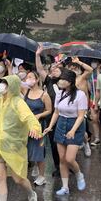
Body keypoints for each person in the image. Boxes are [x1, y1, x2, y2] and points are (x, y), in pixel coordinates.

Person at [44, 70, 88, 197]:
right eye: (60, 79)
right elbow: (56, 112)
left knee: (69, 159)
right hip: (61, 124)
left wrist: (73, 130)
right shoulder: (59, 94)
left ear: (70, 81)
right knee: (62, 160)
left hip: (75, 125)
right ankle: (65, 187)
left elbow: (81, 116)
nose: (60, 81)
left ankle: (79, 174)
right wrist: (50, 126)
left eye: (63, 79)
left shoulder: (80, 95)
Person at [36, 46, 63, 176]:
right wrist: (37, 55)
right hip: (51, 116)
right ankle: (58, 166)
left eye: (56, 69)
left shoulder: (67, 81)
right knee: (53, 144)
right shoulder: (49, 81)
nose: (53, 71)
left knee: (65, 143)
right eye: (52, 69)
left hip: (65, 116)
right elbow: (40, 69)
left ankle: (68, 164)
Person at [23, 70, 52, 186]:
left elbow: (49, 110)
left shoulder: (44, 94)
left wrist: (39, 115)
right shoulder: (26, 91)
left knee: (38, 151)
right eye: (27, 77)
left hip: (38, 126)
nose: (28, 79)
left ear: (37, 79)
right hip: (26, 126)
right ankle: (31, 167)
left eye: (31, 77)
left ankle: (42, 176)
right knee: (27, 149)